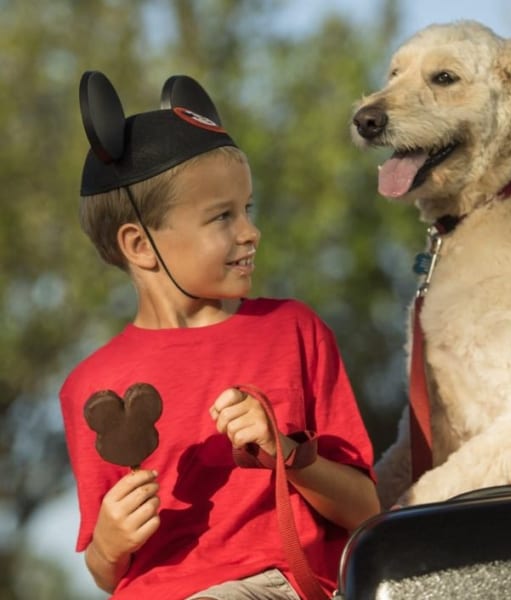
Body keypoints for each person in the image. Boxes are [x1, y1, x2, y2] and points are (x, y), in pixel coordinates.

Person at [59, 71, 380, 600]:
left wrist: (288, 453)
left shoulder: (292, 332)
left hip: (272, 585)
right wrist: (108, 546)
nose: (250, 231)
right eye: (222, 217)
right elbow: (106, 571)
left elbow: (366, 510)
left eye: (247, 209)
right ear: (140, 244)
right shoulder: (89, 386)